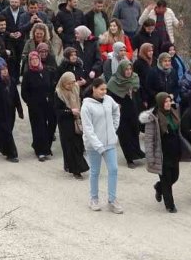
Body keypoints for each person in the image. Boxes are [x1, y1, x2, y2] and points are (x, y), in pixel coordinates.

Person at [140, 92, 191, 214]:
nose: (168, 103)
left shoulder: (174, 113)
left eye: (169, 101)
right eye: (165, 102)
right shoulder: (153, 118)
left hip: (175, 151)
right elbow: (149, 139)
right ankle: (170, 205)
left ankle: (159, 188)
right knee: (166, 179)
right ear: (160, 103)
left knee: (175, 176)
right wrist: (150, 157)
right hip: (162, 153)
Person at [82, 78, 122, 213]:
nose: (104, 92)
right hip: (94, 146)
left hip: (110, 142)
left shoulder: (109, 100)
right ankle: (94, 199)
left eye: (105, 89)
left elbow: (116, 111)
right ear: (94, 88)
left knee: (114, 170)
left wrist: (113, 128)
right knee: (95, 172)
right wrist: (98, 146)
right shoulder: (86, 105)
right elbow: (87, 129)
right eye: (101, 89)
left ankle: (112, 200)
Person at [107, 60, 144, 168]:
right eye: (126, 69)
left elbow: (138, 93)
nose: (128, 71)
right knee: (125, 135)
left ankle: (136, 153)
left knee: (134, 131)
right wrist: (115, 105)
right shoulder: (114, 81)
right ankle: (129, 159)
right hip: (121, 112)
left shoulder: (134, 78)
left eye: (130, 69)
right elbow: (109, 97)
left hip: (133, 109)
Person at [54, 72, 89, 179]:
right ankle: (77, 170)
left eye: (72, 83)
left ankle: (69, 165)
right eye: (68, 84)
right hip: (65, 123)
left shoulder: (76, 88)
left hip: (77, 120)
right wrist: (70, 111)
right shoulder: (59, 93)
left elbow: (81, 99)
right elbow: (57, 111)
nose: (70, 86)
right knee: (70, 146)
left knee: (78, 144)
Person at [22, 51, 56, 161]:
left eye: (36, 59)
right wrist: (30, 102)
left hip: (48, 104)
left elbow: (51, 86)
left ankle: (46, 148)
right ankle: (40, 151)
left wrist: (51, 98)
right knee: (39, 127)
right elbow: (24, 92)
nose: (35, 61)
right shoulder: (28, 74)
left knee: (49, 126)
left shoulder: (46, 71)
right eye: (32, 59)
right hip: (35, 106)